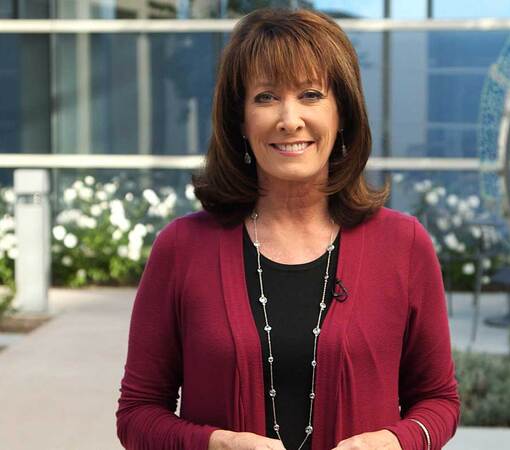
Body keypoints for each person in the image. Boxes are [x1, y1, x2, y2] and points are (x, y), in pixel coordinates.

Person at [116, 8, 459, 450]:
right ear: (239, 119)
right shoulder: (181, 248)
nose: (289, 119)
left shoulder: (403, 245)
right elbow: (137, 415)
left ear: (343, 113)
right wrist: (215, 444)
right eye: (265, 97)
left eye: (311, 94)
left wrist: (396, 442)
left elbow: (439, 401)